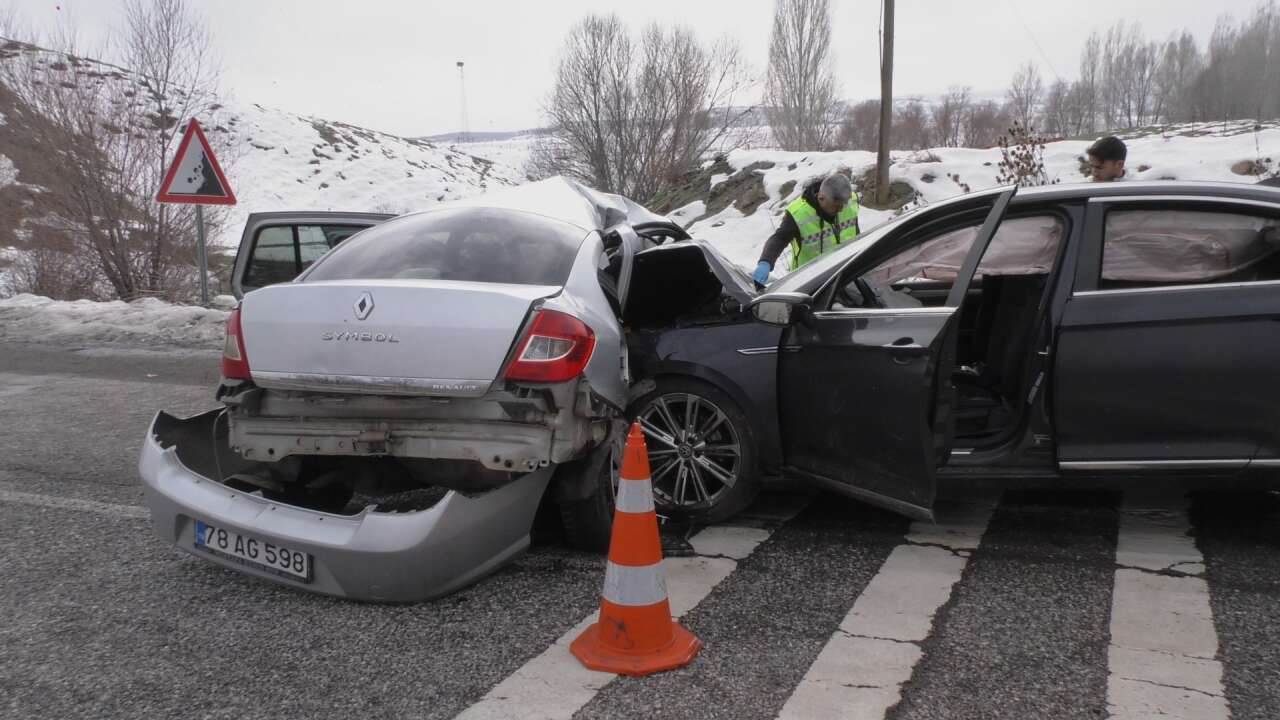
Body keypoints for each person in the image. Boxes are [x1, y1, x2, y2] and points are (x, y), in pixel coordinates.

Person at [753, 173, 860, 286]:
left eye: (843, 205)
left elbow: (855, 232)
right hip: (808, 281)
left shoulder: (849, 201)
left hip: (844, 273)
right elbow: (780, 238)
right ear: (821, 197)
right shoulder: (799, 214)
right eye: (836, 206)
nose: (841, 210)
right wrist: (765, 262)